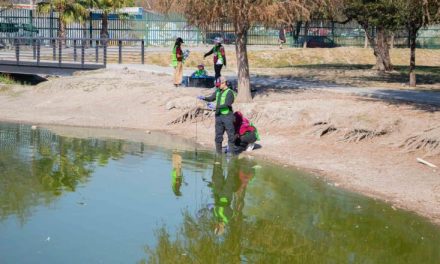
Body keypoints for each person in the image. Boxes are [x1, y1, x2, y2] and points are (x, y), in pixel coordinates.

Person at [197, 76, 236, 155]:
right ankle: (219, 154)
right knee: (218, 136)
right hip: (218, 116)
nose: (217, 86)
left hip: (227, 116)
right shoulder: (218, 91)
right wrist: (204, 98)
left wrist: (215, 106)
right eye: (217, 85)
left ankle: (232, 154)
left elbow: (227, 104)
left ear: (224, 83)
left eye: (219, 85)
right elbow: (211, 98)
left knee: (231, 135)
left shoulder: (230, 92)